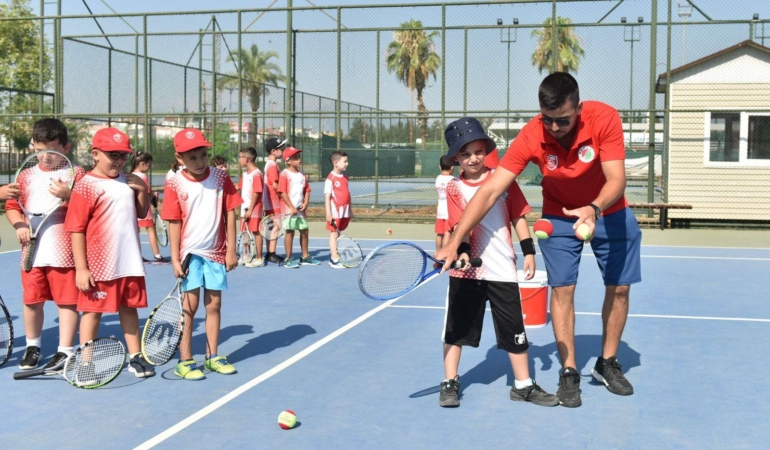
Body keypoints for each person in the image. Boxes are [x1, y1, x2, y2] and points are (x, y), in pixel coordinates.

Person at [435, 73, 640, 408]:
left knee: (620, 288)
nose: (555, 127)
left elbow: (617, 178)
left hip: (609, 208)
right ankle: (569, 370)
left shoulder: (604, 118)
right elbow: (488, 191)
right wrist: (454, 239)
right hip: (558, 215)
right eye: (548, 119)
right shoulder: (532, 134)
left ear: (578, 108)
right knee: (562, 290)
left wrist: (593, 208)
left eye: (563, 120)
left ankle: (607, 362)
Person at [436, 117, 558, 408]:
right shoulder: (453, 188)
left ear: (486, 149)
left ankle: (523, 385)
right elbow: (457, 226)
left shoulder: (502, 179)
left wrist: (529, 251)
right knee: (456, 330)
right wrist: (462, 252)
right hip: (467, 275)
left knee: (515, 330)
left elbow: (518, 216)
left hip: (503, 268)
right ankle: (450, 381)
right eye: (465, 154)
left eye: (478, 151)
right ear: (456, 158)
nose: (473, 158)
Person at [64, 127, 156, 378]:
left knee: (129, 308)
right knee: (92, 312)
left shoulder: (128, 180)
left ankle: (136, 357)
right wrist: (81, 269)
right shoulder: (85, 186)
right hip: (99, 266)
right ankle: (86, 363)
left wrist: (142, 191)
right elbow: (76, 229)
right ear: (95, 154)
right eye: (112, 155)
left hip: (129, 262)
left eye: (123, 155)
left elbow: (140, 212)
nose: (118, 161)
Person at [162, 128, 242, 380]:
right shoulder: (174, 182)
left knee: (214, 304)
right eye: (192, 157)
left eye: (203, 155)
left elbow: (230, 212)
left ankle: (212, 356)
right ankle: (185, 360)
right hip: (190, 254)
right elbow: (173, 222)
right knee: (190, 306)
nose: (199, 162)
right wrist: (175, 259)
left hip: (216, 253)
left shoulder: (220, 177)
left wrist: (231, 250)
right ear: (179, 158)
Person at [5, 118, 85, 371]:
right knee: (32, 301)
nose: (45, 157)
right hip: (32, 253)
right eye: (39, 151)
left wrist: (69, 196)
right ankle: (33, 347)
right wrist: (19, 225)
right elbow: (12, 207)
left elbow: (88, 208)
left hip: (66, 254)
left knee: (67, 302)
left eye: (51, 151)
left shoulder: (77, 174)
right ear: (33, 146)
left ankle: (65, 351)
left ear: (66, 147)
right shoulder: (26, 175)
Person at [277, 147, 319, 269]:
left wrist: (305, 203)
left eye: (299, 157)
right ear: (288, 161)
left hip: (301, 211)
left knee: (304, 231)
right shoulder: (284, 174)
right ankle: (288, 258)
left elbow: (307, 190)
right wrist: (291, 207)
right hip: (288, 211)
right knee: (289, 232)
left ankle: (305, 256)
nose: (299, 160)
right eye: (295, 158)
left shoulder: (302, 175)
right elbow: (282, 192)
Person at [130, 152, 170, 265]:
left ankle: (137, 256)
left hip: (133, 210)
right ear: (143, 164)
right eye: (149, 165)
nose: (149, 167)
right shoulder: (142, 177)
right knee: (151, 230)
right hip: (143, 209)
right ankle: (157, 256)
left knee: (135, 232)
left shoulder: (130, 175)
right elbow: (146, 192)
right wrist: (153, 196)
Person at [237, 147, 265, 268]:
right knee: (245, 233)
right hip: (244, 208)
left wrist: (250, 209)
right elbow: (238, 187)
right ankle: (247, 255)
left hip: (253, 208)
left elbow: (257, 192)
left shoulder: (257, 174)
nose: (239, 160)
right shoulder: (245, 174)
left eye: (240, 157)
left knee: (255, 232)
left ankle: (259, 258)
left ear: (246, 158)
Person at [324, 150, 352, 269]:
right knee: (334, 234)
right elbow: (327, 197)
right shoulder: (330, 178)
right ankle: (334, 259)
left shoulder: (345, 178)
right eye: (345, 161)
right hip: (335, 212)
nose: (347, 163)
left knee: (338, 233)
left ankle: (335, 255)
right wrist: (328, 213)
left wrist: (350, 209)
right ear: (336, 163)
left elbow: (348, 194)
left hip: (344, 211)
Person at [262, 137, 286, 265]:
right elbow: (275, 185)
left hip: (270, 200)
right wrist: (284, 197)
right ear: (273, 151)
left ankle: (270, 253)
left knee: (271, 227)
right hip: (273, 200)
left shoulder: (271, 164)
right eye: (281, 148)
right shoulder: (272, 165)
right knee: (277, 226)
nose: (283, 150)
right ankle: (271, 254)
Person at [434, 155, 455, 251]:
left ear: (439, 167)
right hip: (449, 211)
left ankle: (438, 252)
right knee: (448, 232)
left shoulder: (438, 178)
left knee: (439, 234)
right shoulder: (453, 180)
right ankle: (445, 253)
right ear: (452, 167)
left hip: (440, 211)